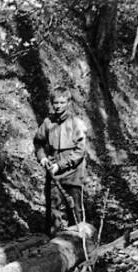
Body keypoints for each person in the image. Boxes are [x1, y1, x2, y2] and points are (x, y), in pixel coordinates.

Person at [33, 86, 87, 235]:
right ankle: (53, 239)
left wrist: (61, 165)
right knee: (53, 208)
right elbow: (38, 143)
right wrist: (42, 158)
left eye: (62, 103)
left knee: (75, 207)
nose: (58, 106)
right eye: (55, 103)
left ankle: (78, 239)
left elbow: (80, 151)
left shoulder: (76, 123)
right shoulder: (47, 122)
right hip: (53, 170)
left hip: (73, 171)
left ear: (68, 103)